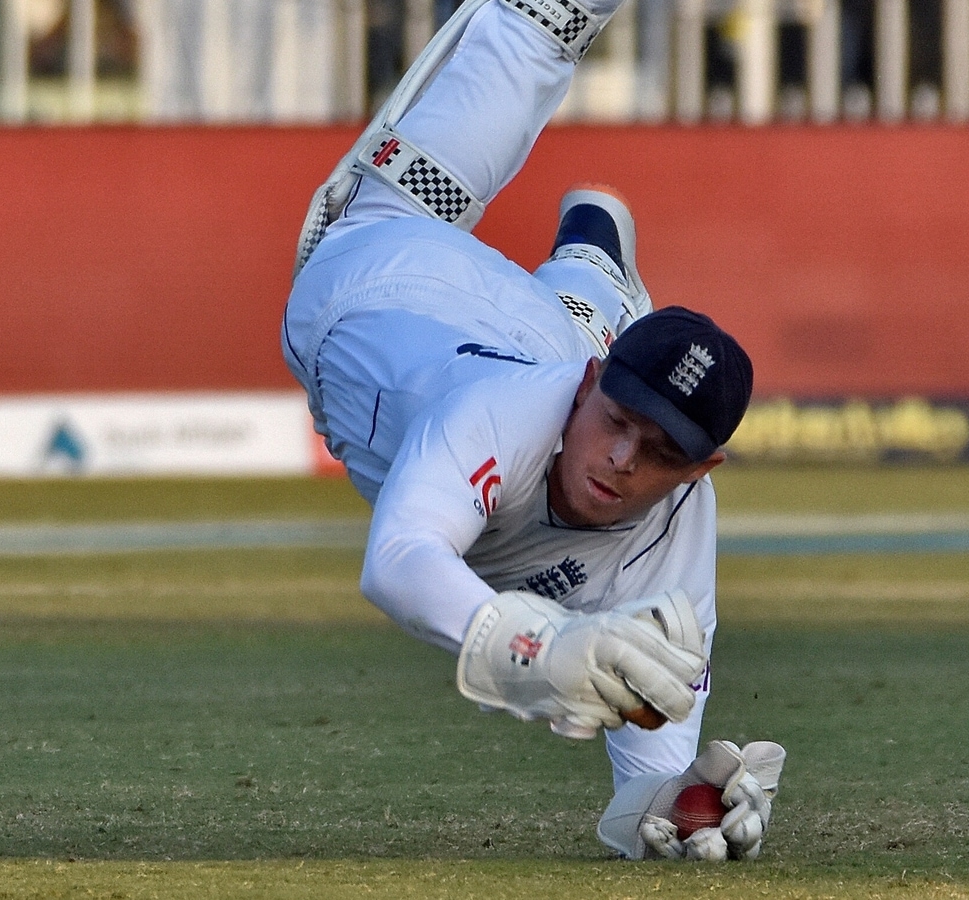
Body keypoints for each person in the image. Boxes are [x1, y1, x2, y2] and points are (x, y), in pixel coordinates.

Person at [281, 0, 786, 862]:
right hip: (373, 264)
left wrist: (675, 802)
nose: (624, 462)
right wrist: (541, 647)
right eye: (620, 424)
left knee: (577, 320)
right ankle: (593, 266)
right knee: (542, 23)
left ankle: (593, 259)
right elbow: (400, 561)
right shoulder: (493, 418)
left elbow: (653, 741)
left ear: (706, 470)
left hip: (530, 328)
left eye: (664, 453)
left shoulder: (672, 523)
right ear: (592, 391)